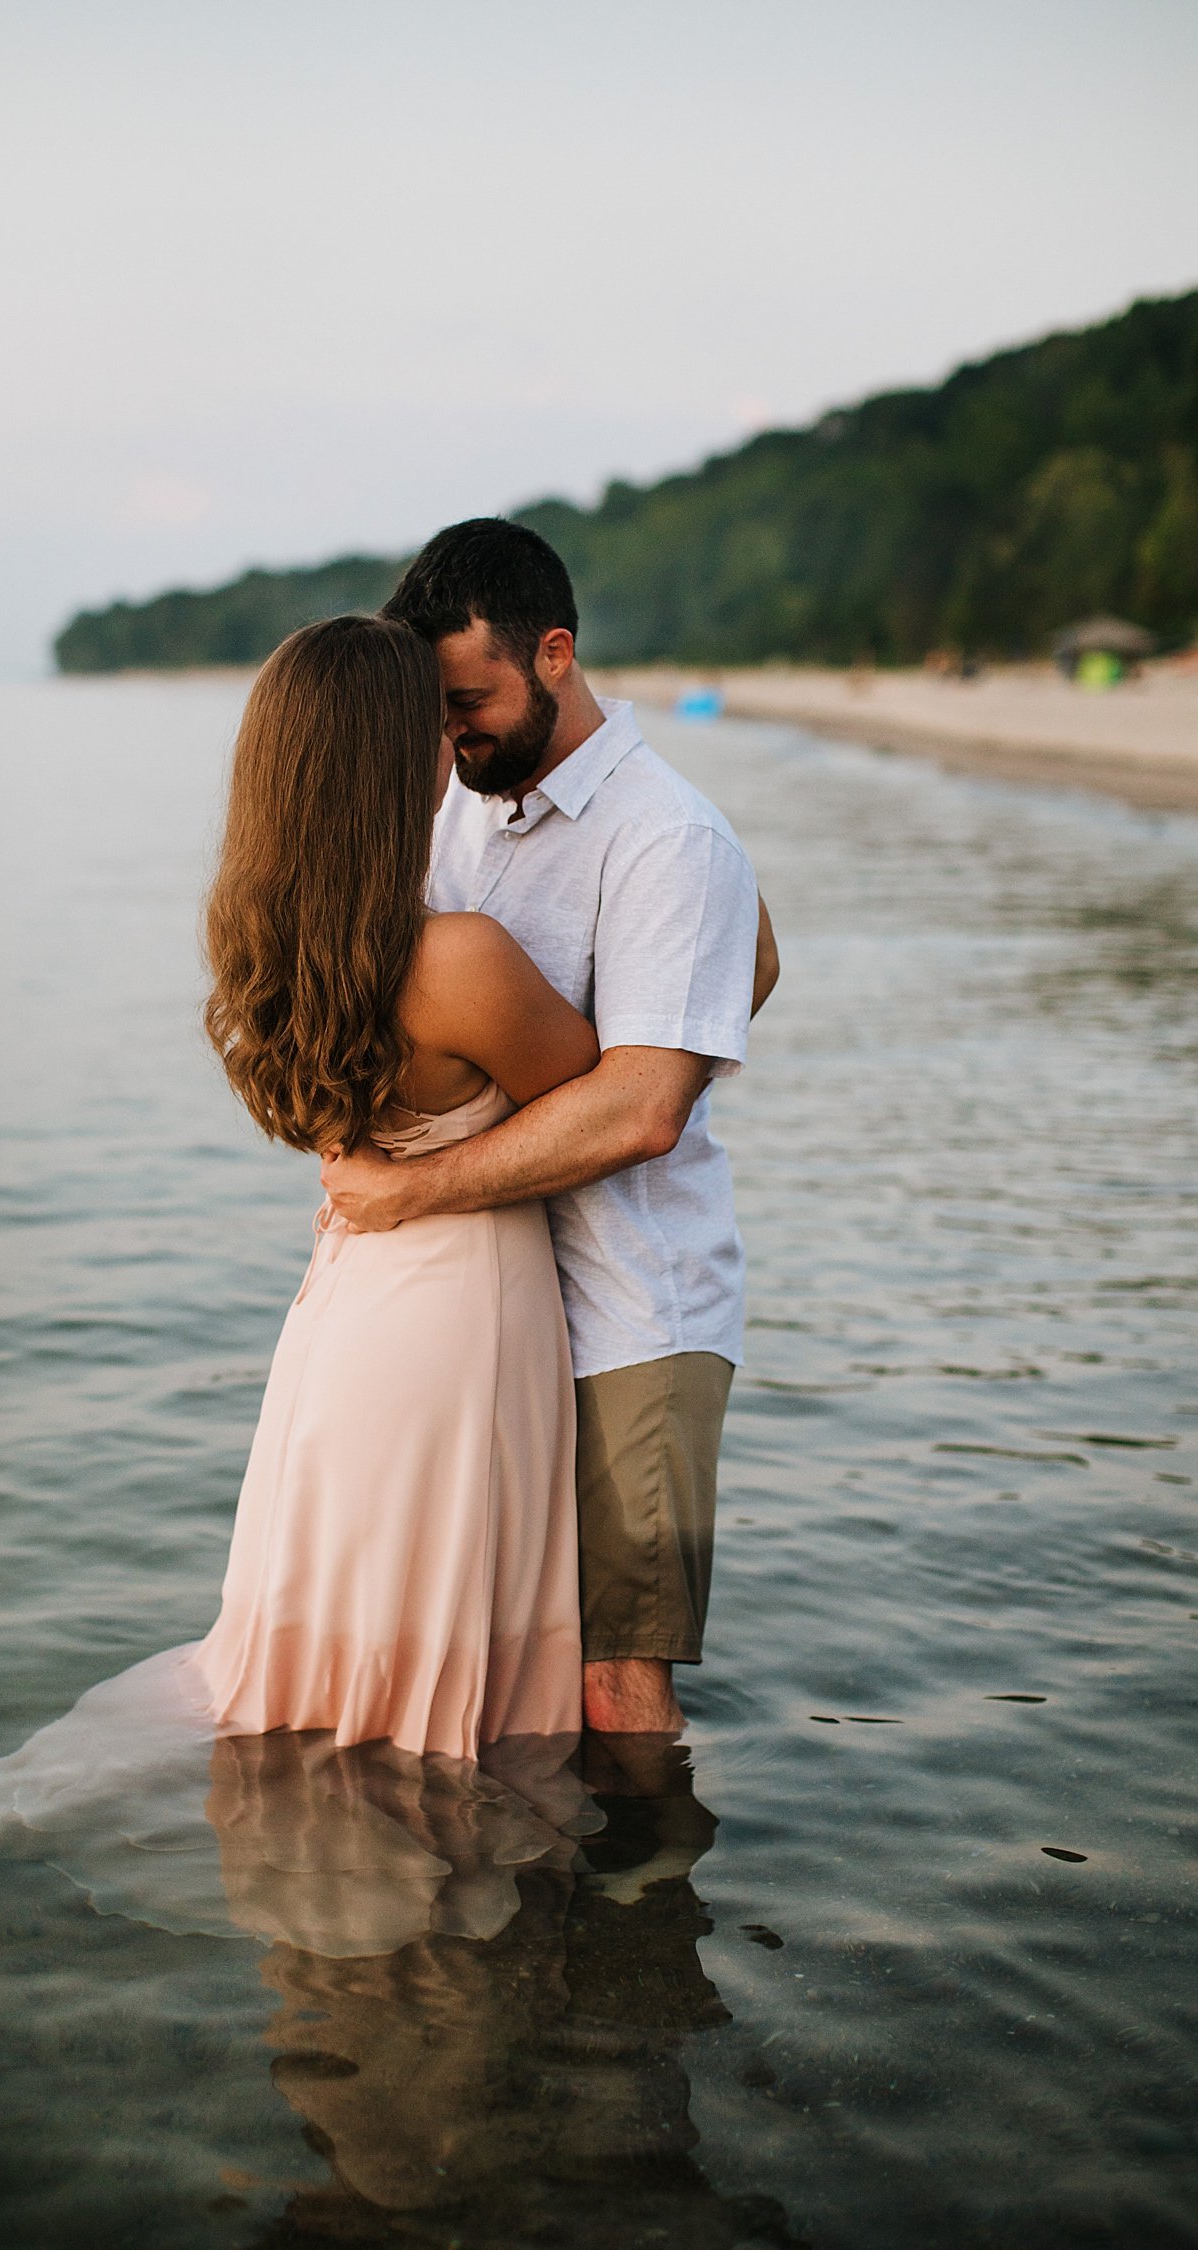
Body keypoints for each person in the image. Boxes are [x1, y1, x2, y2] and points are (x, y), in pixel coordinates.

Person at [0, 613, 605, 1874]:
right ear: (389, 769)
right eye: (430, 726)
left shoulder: (276, 947)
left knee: (335, 1627)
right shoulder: (459, 958)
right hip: (455, 1318)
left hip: (348, 1317)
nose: (453, 741)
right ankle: (427, 1875)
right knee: (432, 1619)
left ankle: (329, 1849)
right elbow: (600, 1091)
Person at [322, 520, 778, 1738]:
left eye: (470, 700)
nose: (452, 731)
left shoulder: (666, 833)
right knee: (494, 1649)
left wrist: (414, 1191)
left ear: (557, 655)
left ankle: (644, 1918)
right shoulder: (460, 804)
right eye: (437, 710)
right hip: (491, 1306)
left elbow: (643, 1110)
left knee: (617, 1679)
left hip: (634, 1306)